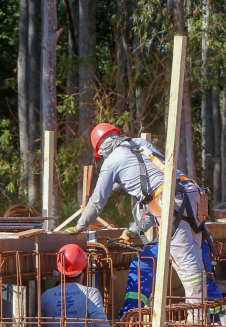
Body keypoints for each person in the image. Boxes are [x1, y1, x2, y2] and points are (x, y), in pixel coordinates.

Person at [72, 123, 208, 314]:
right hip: (191, 192)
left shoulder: (111, 162)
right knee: (195, 256)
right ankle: (201, 314)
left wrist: (79, 226)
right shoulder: (140, 143)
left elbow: (96, 201)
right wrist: (135, 229)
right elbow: (154, 200)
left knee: (186, 263)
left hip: (172, 200)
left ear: (101, 148)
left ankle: (197, 320)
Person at [40, 244, 111, 327]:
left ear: (59, 270)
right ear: (85, 269)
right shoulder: (91, 293)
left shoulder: (46, 296)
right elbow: (101, 323)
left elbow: (37, 326)